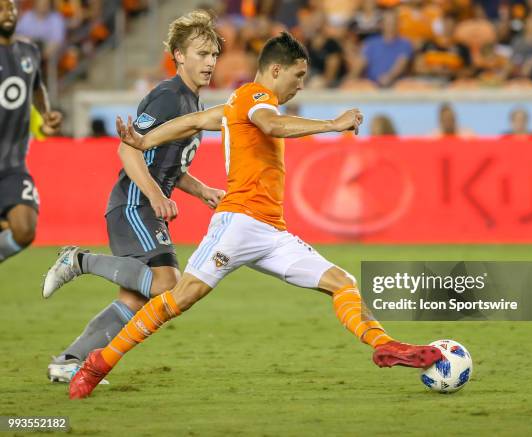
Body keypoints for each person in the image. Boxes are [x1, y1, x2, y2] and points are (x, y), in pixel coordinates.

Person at [68, 31, 442, 399]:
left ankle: (386, 345)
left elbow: (197, 121)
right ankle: (96, 364)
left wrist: (146, 139)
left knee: (341, 281)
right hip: (238, 223)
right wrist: (332, 124)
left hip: (270, 232)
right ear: (276, 70)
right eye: (298, 76)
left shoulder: (238, 103)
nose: (300, 85)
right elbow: (271, 125)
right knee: (177, 299)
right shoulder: (256, 97)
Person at [42, 10, 225, 383]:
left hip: (145, 203)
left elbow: (169, 165)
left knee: (135, 299)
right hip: (133, 204)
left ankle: (69, 359)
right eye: (201, 53)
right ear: (178, 55)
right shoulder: (168, 96)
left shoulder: (193, 103)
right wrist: (157, 194)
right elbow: (129, 151)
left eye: (213, 54)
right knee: (167, 285)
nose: (209, 62)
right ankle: (79, 261)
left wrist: (202, 189)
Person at [0, 0, 62, 264]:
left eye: (12, 7)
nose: (8, 12)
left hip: (12, 165)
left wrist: (46, 114)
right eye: (1, 8)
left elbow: (36, 87)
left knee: (25, 229)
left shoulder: (29, 51)